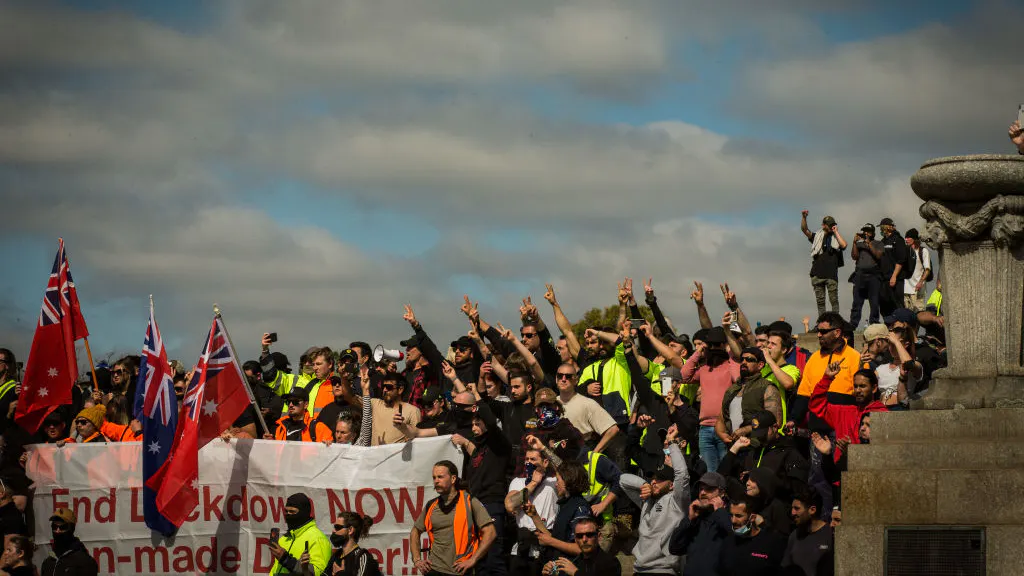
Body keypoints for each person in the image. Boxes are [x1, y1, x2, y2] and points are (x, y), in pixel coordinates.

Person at [618, 425, 689, 576]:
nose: (655, 481)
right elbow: (622, 480)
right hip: (638, 569)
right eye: (654, 478)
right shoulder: (646, 500)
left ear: (671, 485)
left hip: (663, 571)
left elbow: (682, 475)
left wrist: (672, 443)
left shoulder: (678, 502)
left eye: (661, 479)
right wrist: (643, 484)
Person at [410, 461, 497, 576]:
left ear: (453, 479)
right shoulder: (431, 505)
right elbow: (415, 531)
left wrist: (473, 560)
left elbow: (491, 533)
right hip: (433, 569)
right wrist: (417, 559)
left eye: (440, 477)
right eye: (434, 477)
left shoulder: (470, 502)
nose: (436, 481)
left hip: (460, 570)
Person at [680, 326, 740, 474]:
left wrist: (730, 353)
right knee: (710, 473)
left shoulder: (730, 366)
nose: (714, 349)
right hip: (704, 428)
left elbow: (738, 379)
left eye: (717, 344)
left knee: (726, 471)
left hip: (725, 427)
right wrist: (698, 353)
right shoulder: (704, 369)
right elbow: (684, 376)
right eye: (710, 345)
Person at [504, 447, 559, 575]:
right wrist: (533, 483)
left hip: (544, 545)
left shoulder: (553, 483)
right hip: (520, 549)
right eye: (527, 459)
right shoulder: (518, 482)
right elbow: (510, 505)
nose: (529, 462)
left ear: (545, 462)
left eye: (533, 459)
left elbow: (567, 471)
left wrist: (544, 449)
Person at [715, 347, 782, 447]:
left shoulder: (767, 387)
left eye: (749, 359)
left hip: (757, 446)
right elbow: (721, 417)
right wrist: (721, 433)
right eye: (742, 359)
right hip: (734, 446)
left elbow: (775, 422)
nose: (744, 362)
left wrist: (746, 429)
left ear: (760, 365)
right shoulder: (732, 389)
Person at [668, 471, 731, 576]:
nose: (703, 493)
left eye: (709, 489)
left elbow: (738, 539)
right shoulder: (696, 519)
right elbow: (675, 548)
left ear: (722, 493)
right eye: (701, 489)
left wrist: (720, 513)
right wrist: (689, 520)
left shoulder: (733, 516)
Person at [554, 363, 619, 455]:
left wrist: (594, 454)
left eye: (568, 376)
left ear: (576, 380)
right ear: (556, 379)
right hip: (557, 456)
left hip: (579, 456)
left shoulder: (587, 403)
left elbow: (613, 429)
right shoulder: (550, 404)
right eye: (560, 376)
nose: (563, 379)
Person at [716, 498, 787, 576]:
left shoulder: (772, 543)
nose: (733, 521)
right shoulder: (728, 541)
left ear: (752, 518)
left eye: (738, 516)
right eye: (731, 515)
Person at [269, 493, 332, 575]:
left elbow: (318, 572)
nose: (288, 515)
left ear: (303, 513)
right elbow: (275, 570)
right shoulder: (285, 539)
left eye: (292, 511)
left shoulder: (317, 538)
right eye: (286, 511)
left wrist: (286, 560)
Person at [541, 516, 622, 576]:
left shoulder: (610, 562)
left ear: (598, 536)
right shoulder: (574, 562)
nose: (584, 539)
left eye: (589, 535)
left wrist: (576, 573)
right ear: (575, 539)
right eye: (579, 536)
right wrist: (549, 573)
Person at [801, 212, 847, 318]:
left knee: (834, 300)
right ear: (823, 225)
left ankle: (836, 322)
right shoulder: (817, 236)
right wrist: (804, 217)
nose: (831, 226)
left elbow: (844, 245)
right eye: (829, 224)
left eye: (833, 224)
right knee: (820, 302)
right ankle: (821, 323)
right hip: (817, 273)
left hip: (831, 274)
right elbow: (804, 230)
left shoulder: (836, 237)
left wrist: (836, 232)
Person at [782, 489, 834, 576]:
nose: (792, 513)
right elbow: (786, 567)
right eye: (792, 508)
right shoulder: (794, 536)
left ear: (812, 510)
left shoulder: (831, 534)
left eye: (797, 508)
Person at [40, 508, 98, 576]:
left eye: (63, 527)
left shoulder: (84, 561)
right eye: (54, 526)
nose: (57, 531)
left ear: (71, 528)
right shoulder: (48, 562)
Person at [320, 511, 381, 576]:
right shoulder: (336, 556)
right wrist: (307, 569)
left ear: (350, 530)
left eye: (337, 527)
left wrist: (340, 574)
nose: (333, 531)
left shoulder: (362, 557)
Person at [370, 372, 421, 446]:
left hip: (397, 457)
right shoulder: (375, 403)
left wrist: (404, 428)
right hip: (375, 456)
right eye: (383, 386)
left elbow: (416, 438)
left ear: (400, 389)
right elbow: (351, 398)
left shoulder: (413, 411)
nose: (384, 390)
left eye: (388, 387)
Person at [849, 223, 884, 327]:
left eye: (868, 231)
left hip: (874, 276)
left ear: (873, 233)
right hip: (859, 275)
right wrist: (854, 243)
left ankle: (874, 323)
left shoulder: (878, 243)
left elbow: (878, 255)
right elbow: (854, 256)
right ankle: (853, 324)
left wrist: (869, 244)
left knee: (874, 302)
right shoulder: (859, 244)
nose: (866, 233)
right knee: (857, 302)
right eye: (864, 231)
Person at [902, 228, 931, 312]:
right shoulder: (905, 251)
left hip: (917, 289)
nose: (906, 239)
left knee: (918, 314)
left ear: (914, 239)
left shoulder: (923, 251)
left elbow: (927, 270)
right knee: (907, 315)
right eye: (905, 237)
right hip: (905, 289)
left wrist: (920, 282)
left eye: (908, 237)